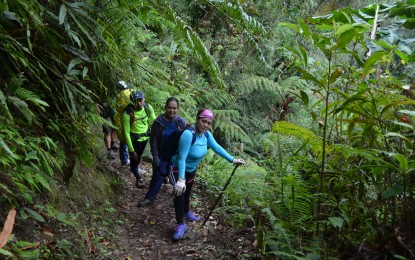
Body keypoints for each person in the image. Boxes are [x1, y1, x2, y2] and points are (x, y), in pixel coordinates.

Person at [169, 109, 245, 241]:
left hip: (191, 169)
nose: (206, 125)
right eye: (204, 121)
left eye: (209, 123)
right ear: (198, 119)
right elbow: (181, 157)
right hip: (177, 168)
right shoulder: (188, 134)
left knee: (188, 192)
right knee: (179, 194)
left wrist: (232, 159)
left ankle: (186, 212)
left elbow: (217, 148)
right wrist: (181, 178)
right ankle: (180, 224)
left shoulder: (206, 135)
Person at [138, 97, 187, 207]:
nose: (172, 110)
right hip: (161, 153)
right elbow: (153, 140)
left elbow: (187, 137)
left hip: (176, 155)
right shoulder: (158, 122)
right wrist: (155, 156)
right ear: (165, 107)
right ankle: (149, 198)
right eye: (170, 108)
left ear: (178, 109)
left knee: (178, 177)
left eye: (174, 108)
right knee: (157, 175)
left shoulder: (181, 122)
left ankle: (179, 201)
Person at [123, 90, 156, 188]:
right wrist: (131, 150)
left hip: (147, 141)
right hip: (135, 142)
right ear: (133, 102)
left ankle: (157, 178)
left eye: (141, 100)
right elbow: (126, 133)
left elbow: (154, 119)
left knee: (154, 160)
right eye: (137, 101)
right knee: (135, 162)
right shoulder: (127, 114)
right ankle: (138, 178)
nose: (140, 103)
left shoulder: (147, 107)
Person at [114, 81, 132, 165]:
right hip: (127, 119)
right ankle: (125, 159)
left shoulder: (119, 96)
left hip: (120, 119)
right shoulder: (129, 93)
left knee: (123, 140)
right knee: (126, 139)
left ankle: (124, 159)